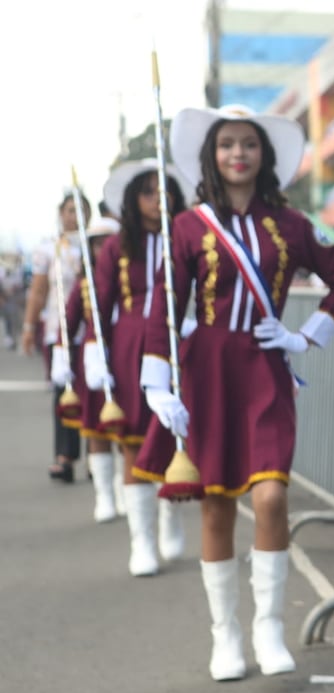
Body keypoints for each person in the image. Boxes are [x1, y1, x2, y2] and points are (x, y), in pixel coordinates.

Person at [132, 104, 334, 681]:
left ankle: (269, 626)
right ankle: (225, 636)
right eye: (227, 144)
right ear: (212, 156)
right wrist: (156, 381)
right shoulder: (187, 226)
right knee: (214, 504)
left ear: (265, 156)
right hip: (206, 369)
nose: (239, 153)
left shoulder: (290, 224)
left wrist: (303, 334)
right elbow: (166, 307)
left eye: (249, 144)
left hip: (264, 367)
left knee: (269, 497)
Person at [86, 158, 191, 575]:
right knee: (132, 443)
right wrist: (97, 353)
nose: (157, 199)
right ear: (132, 199)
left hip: (179, 346)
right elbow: (101, 303)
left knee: (173, 437)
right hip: (131, 351)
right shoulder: (115, 246)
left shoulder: (188, 237)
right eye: (148, 192)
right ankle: (141, 540)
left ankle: (171, 514)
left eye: (164, 190)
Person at [60, 217, 127, 524]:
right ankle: (104, 495)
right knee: (98, 431)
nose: (104, 249)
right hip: (95, 362)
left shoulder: (134, 280)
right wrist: (63, 355)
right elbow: (69, 321)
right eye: (98, 243)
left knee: (129, 429)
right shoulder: (84, 284)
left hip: (128, 360)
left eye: (108, 242)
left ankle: (126, 486)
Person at [25, 192, 91, 483]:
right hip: (59, 329)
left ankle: (96, 456)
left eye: (79, 210)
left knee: (95, 392)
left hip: (92, 332)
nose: (74, 216)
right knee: (63, 393)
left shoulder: (98, 244)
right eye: (68, 210)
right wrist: (28, 327)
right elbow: (39, 290)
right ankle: (65, 457)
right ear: (60, 213)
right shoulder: (49, 248)